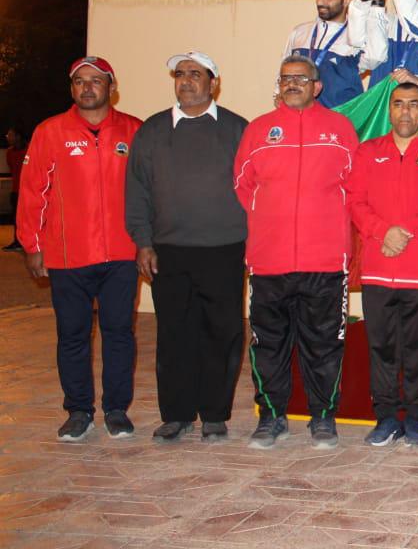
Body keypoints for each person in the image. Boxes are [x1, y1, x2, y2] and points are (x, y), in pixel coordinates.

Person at [233, 55, 359, 449]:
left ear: (317, 86)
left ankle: (323, 417)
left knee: (324, 344)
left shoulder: (340, 129)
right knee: (267, 344)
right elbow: (243, 186)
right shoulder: (258, 130)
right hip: (269, 261)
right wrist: (273, 221)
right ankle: (271, 416)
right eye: (285, 78)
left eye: (301, 79)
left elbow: (355, 187)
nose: (292, 84)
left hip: (326, 260)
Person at [125, 51, 249, 443]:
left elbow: (255, 189)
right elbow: (137, 190)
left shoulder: (237, 129)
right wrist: (143, 242)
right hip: (169, 250)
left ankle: (214, 413)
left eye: (196, 73)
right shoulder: (152, 130)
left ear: (214, 82)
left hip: (225, 248)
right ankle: (177, 414)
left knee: (222, 332)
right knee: (174, 333)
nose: (187, 80)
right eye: (180, 73)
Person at [17, 57, 143, 441]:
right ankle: (78, 411)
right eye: (80, 81)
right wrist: (32, 244)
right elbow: (32, 192)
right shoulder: (50, 131)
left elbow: (149, 192)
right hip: (68, 255)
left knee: (119, 333)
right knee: (72, 335)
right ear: (72, 88)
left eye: (96, 81)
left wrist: (147, 242)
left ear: (111, 87)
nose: (87, 88)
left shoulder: (134, 130)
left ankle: (116, 410)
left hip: (121, 255)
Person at [347, 81, 418, 448]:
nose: (405, 111)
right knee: (381, 347)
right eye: (398, 104)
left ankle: (414, 417)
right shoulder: (368, 152)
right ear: (390, 110)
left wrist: (405, 233)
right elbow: (355, 200)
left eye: (413, 104)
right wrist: (383, 232)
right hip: (378, 268)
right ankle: (385, 417)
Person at [283, 0, 371, 108]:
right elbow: (283, 71)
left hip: (340, 117)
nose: (320, 2)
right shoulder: (300, 32)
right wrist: (278, 94)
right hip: (300, 116)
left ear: (346, 0)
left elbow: (375, 59)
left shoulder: (356, 38)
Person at [4, 126, 27, 251]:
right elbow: (12, 169)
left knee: (30, 218)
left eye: (10, 135)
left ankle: (31, 242)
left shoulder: (30, 150)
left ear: (18, 137)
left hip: (29, 192)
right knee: (16, 218)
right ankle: (18, 242)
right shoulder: (9, 152)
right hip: (16, 191)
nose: (8, 137)